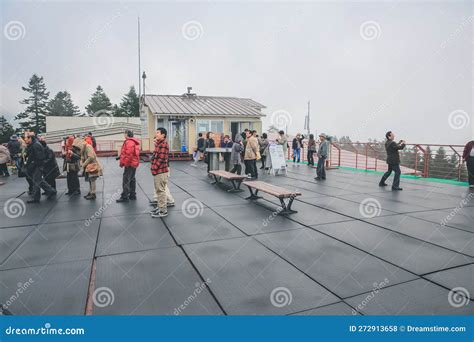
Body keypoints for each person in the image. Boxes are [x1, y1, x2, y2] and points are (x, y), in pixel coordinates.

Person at [24, 132, 57, 203]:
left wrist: (32, 164)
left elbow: (39, 157)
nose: (25, 140)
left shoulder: (35, 145)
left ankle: (36, 197)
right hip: (37, 166)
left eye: (26, 138)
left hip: (37, 166)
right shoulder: (34, 144)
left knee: (36, 182)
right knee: (39, 181)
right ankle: (51, 191)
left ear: (30, 138)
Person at [150, 128, 173, 218]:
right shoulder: (159, 143)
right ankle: (160, 207)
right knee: (158, 190)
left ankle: (163, 211)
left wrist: (154, 168)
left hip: (160, 171)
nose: (156, 134)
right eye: (156, 132)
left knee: (161, 191)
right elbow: (156, 155)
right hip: (158, 171)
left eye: (158, 133)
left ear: (163, 135)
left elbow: (161, 158)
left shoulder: (163, 144)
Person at [117, 130, 140, 202]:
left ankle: (125, 196)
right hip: (133, 163)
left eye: (124, 133)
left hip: (130, 164)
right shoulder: (134, 141)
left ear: (127, 134)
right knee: (132, 179)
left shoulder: (129, 142)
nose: (124, 135)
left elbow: (129, 154)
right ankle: (132, 195)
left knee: (126, 179)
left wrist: (125, 163)